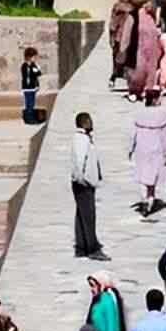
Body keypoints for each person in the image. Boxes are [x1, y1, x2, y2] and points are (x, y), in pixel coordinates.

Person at [129, 88, 166, 216]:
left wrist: (130, 148)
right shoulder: (163, 114)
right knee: (152, 175)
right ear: (155, 100)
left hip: (141, 148)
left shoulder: (139, 113)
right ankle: (150, 198)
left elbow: (133, 133)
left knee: (143, 174)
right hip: (156, 148)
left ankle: (145, 199)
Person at [71, 111, 107, 260]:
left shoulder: (84, 138)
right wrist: (82, 179)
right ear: (84, 123)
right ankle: (92, 249)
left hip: (84, 182)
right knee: (88, 216)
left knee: (81, 215)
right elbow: (80, 160)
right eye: (89, 120)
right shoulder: (81, 139)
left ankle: (81, 247)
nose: (92, 123)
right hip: (83, 183)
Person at [127, 0, 163, 99]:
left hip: (152, 48)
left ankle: (147, 89)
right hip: (140, 47)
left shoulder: (151, 16)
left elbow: (157, 30)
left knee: (151, 69)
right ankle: (135, 90)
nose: (151, 6)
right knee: (140, 69)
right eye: (149, 3)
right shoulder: (136, 16)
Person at [108, 0, 137, 88]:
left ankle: (130, 80)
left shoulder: (133, 5)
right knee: (118, 58)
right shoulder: (119, 6)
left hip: (131, 36)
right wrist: (111, 36)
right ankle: (113, 77)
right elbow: (113, 22)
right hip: (119, 36)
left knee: (129, 59)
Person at [20, 45, 41, 124]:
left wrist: (36, 69)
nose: (35, 59)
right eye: (33, 57)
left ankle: (31, 117)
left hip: (33, 87)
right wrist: (33, 70)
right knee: (28, 103)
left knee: (32, 103)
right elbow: (28, 75)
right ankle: (28, 118)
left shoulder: (33, 65)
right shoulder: (24, 66)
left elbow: (38, 73)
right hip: (27, 88)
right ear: (29, 57)